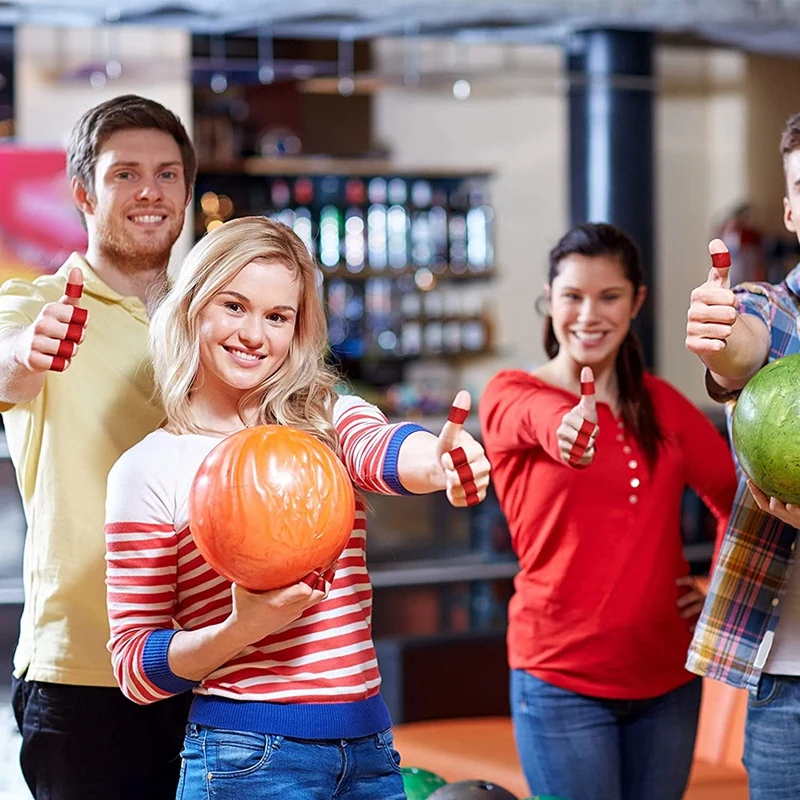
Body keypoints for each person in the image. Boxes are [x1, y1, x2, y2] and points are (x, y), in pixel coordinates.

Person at [103, 216, 491, 800]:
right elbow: (135, 666)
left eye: (278, 316)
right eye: (234, 306)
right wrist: (242, 629)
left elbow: (381, 448)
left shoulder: (324, 418)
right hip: (243, 757)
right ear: (193, 308)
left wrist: (439, 464)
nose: (254, 334)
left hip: (370, 748)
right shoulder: (148, 468)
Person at [479, 222, 736, 800]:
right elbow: (538, 419)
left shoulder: (665, 405)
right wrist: (566, 427)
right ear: (550, 301)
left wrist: (721, 588)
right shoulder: (512, 393)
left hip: (670, 681)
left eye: (609, 296)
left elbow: (736, 497)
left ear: (636, 302)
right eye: (571, 296)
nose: (588, 314)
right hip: (560, 683)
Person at [0, 94, 196, 799]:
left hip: (209, 661)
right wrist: (28, 351)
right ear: (83, 191)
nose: (150, 191)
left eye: (168, 174)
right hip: (83, 674)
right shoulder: (35, 304)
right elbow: (6, 362)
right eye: (125, 174)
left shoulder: (212, 317)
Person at [685, 110, 800, 799]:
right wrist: (719, 337)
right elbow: (744, 348)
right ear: (791, 209)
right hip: (788, 686)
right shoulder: (770, 309)